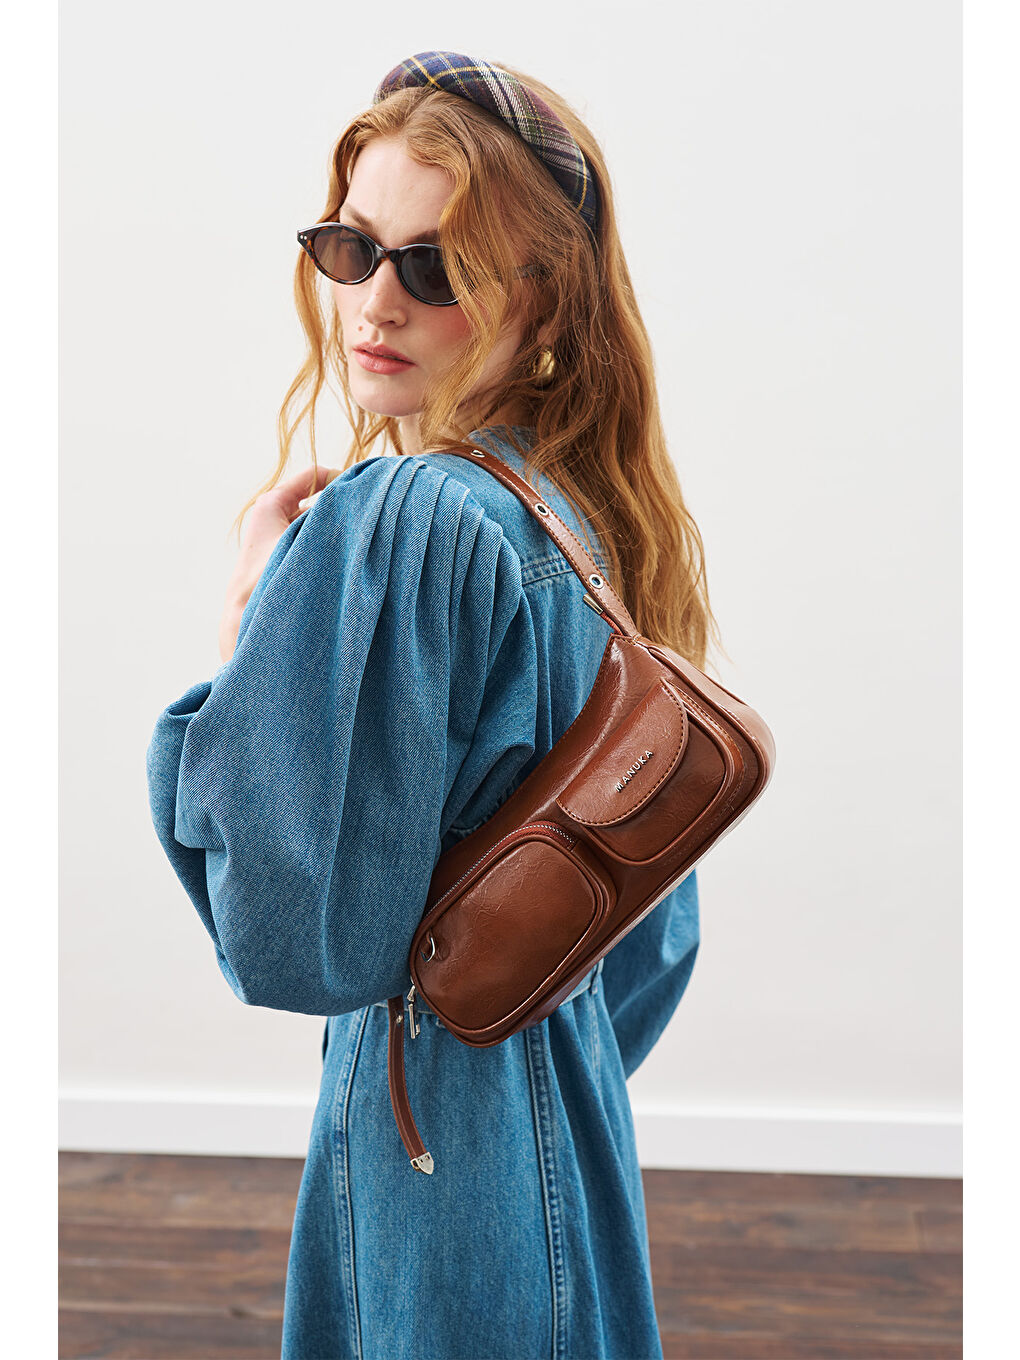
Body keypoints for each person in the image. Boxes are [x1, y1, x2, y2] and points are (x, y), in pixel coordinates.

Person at [146, 50, 720, 1360]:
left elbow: (296, 940)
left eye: (436, 266)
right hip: (562, 1110)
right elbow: (659, 936)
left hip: (431, 1137)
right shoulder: (579, 517)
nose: (375, 300)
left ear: (544, 298)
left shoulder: (407, 517)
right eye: (352, 247)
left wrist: (249, 623)